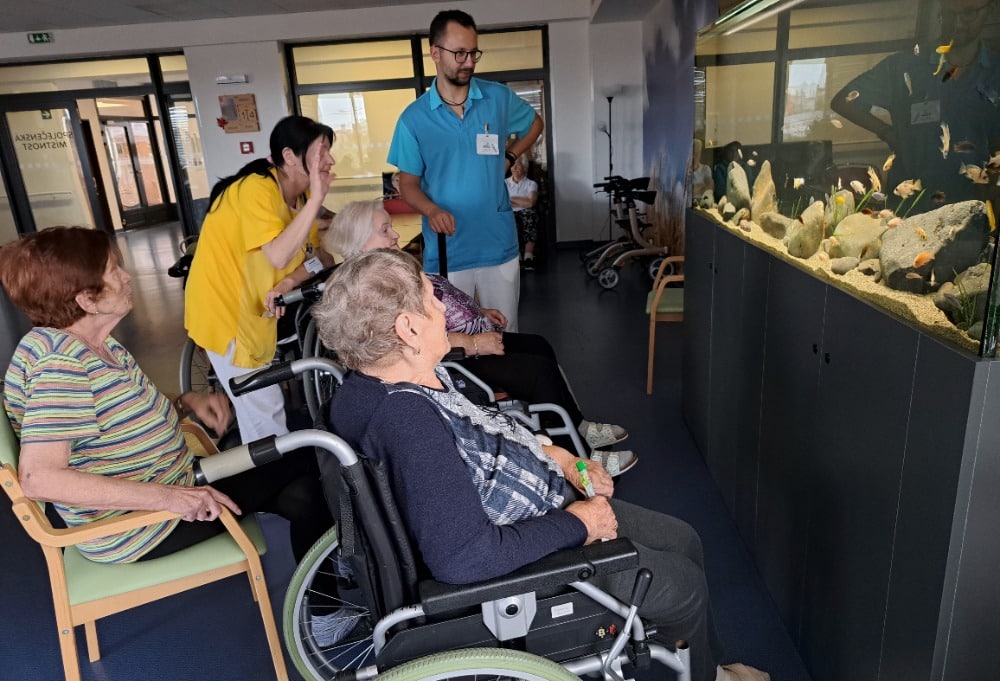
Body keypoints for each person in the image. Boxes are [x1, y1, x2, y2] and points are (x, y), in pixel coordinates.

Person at [312, 249, 770, 681]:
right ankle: (708, 672)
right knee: (685, 587)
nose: (443, 308)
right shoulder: (408, 423)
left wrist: (563, 458)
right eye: (432, 299)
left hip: (544, 503)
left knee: (683, 538)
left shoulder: (378, 384)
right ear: (408, 329)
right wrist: (580, 524)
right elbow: (465, 558)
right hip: (531, 555)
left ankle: (702, 660)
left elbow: (483, 440)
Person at [0, 227, 333, 568]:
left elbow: (115, 412)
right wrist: (171, 498)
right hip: (142, 523)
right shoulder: (60, 366)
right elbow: (39, 478)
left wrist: (186, 402)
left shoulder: (94, 344)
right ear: (87, 300)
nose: (127, 277)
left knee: (304, 492)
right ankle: (338, 578)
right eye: (114, 271)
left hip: (173, 480)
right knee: (313, 454)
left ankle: (323, 590)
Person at [322, 200, 636, 474]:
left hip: (466, 339)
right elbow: (409, 343)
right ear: (361, 244)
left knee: (538, 345)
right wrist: (473, 343)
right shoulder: (372, 292)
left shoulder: (389, 271)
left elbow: (444, 305)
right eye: (385, 230)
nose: (395, 235)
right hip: (453, 360)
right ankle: (580, 455)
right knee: (536, 371)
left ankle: (577, 425)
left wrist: (479, 312)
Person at [387, 9, 544, 333]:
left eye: (474, 53)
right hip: (447, 249)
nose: (469, 62)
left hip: (497, 242)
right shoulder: (413, 119)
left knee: (505, 333)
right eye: (459, 53)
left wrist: (510, 155)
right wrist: (432, 210)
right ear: (435, 53)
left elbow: (534, 124)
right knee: (451, 338)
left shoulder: (497, 98)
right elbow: (408, 184)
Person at [185, 115, 336, 442]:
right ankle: (274, 470)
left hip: (257, 314)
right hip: (226, 313)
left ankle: (269, 464)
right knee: (265, 412)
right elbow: (278, 255)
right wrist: (317, 200)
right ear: (290, 157)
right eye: (321, 151)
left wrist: (287, 283)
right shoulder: (256, 189)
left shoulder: (297, 201)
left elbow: (317, 258)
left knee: (260, 408)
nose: (330, 160)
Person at [830, 0, 1000, 210]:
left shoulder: (996, 73)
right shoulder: (904, 66)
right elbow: (843, 101)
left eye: (968, 13)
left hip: (971, 207)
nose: (957, 23)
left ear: (990, 11)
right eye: (949, 14)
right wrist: (887, 133)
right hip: (911, 206)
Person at [505, 154, 540, 270]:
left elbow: (531, 202)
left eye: (517, 165)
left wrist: (510, 199)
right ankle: (517, 256)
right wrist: (522, 201)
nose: (514, 168)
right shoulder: (504, 184)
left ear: (524, 167)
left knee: (530, 215)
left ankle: (528, 256)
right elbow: (501, 201)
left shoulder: (531, 184)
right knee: (510, 220)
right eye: (512, 165)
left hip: (526, 212)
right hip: (509, 212)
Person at [689, 138, 714, 207]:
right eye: (694, 152)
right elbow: (686, 192)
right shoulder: (685, 170)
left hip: (703, 204)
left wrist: (694, 188)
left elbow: (710, 187)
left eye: (698, 152)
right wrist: (702, 186)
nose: (696, 155)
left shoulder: (706, 169)